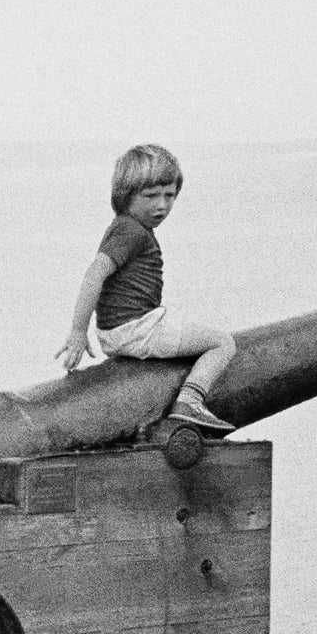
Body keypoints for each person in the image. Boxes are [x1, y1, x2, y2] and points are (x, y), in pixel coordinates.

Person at [55, 143, 238, 445]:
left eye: (170, 195)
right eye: (151, 196)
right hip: (136, 329)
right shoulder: (131, 232)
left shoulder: (128, 229)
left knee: (177, 323)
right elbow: (94, 274)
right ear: (125, 197)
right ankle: (190, 401)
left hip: (121, 330)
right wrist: (77, 332)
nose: (162, 206)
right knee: (222, 342)